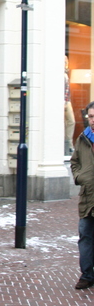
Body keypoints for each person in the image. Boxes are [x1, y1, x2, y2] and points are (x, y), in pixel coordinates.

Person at [70, 101, 94, 289]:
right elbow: (75, 161)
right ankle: (86, 275)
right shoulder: (83, 138)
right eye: (91, 117)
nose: (93, 121)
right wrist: (79, 177)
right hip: (88, 197)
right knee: (85, 236)